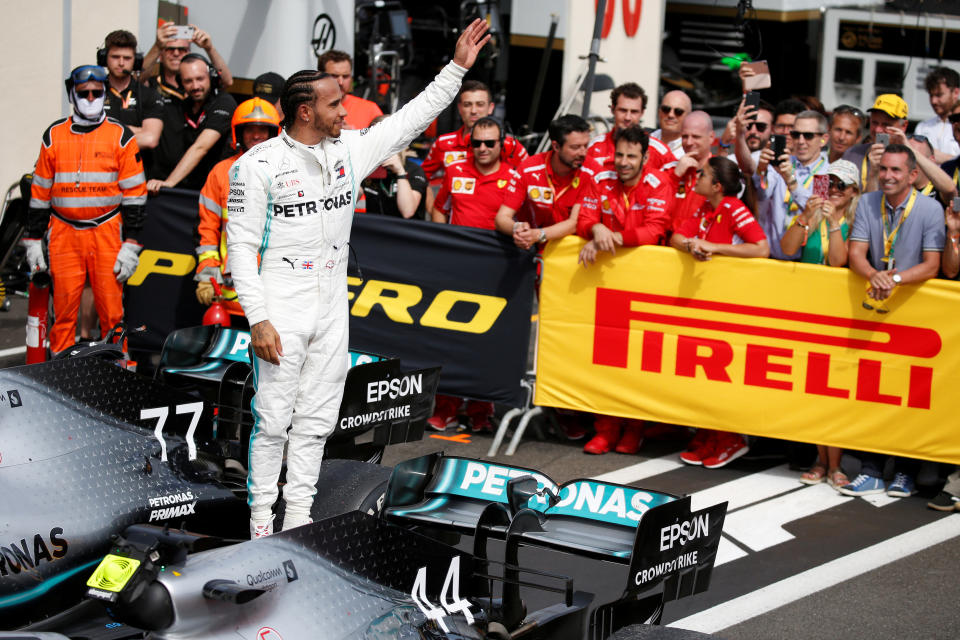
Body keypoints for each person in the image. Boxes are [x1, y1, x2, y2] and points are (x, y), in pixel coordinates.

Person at [227, 19, 491, 538]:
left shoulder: (351, 149)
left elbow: (413, 118)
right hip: (281, 300)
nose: (344, 110)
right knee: (274, 421)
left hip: (331, 300)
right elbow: (238, 246)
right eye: (333, 104)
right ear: (306, 111)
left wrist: (457, 67)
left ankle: (297, 523)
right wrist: (257, 318)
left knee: (316, 423)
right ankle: (260, 524)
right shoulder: (257, 165)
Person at [22, 65, 146, 354]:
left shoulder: (121, 136)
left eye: (96, 92)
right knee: (63, 314)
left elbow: (136, 196)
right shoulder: (53, 135)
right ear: (72, 94)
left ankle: (118, 376)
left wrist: (132, 245)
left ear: (103, 94)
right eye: (83, 92)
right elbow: (39, 193)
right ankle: (59, 381)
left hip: (106, 232)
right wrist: (32, 241)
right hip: (64, 232)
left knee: (113, 314)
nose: (90, 97)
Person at [842, 144, 944, 497]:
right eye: (883, 169)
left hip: (913, 310)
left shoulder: (930, 209)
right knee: (872, 391)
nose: (887, 176)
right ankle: (870, 469)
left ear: (913, 175)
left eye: (896, 170)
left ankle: (904, 471)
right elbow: (856, 252)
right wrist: (875, 274)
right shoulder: (868, 202)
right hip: (875, 306)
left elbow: (933, 264)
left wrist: (894, 279)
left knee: (908, 395)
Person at [574, 126, 674, 456]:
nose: (624, 162)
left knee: (640, 363)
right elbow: (584, 218)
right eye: (619, 154)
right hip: (604, 287)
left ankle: (634, 430)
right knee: (604, 359)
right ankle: (605, 429)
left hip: (647, 286)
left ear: (645, 157)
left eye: (632, 156)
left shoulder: (660, 184)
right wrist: (597, 227)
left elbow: (655, 230)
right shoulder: (599, 178)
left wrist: (610, 238)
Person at [671, 157, 769, 468]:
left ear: (717, 185)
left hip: (732, 304)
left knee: (723, 373)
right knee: (704, 371)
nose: (696, 177)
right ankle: (708, 432)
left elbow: (761, 248)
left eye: (702, 174)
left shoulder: (731, 206)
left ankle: (731, 437)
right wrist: (692, 246)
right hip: (707, 304)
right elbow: (676, 237)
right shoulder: (704, 208)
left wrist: (715, 248)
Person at [428, 116, 517, 433]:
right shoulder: (455, 170)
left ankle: (481, 409)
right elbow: (439, 208)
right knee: (451, 340)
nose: (481, 148)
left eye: (489, 143)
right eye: (476, 143)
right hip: (459, 273)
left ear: (502, 144)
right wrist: (443, 244)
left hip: (497, 274)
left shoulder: (514, 178)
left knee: (489, 344)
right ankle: (446, 407)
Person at [780, 159, 860, 489]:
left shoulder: (857, 220)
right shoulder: (811, 214)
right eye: (829, 183)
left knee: (836, 393)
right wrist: (805, 217)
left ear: (854, 191)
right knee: (814, 390)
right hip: (810, 313)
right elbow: (787, 250)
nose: (835, 190)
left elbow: (840, 260)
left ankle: (835, 464)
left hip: (842, 315)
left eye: (842, 185)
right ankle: (820, 460)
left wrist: (834, 224)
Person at [195, 98, 281, 316]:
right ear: (238, 133)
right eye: (250, 129)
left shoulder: (289, 173)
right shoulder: (220, 173)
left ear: (274, 133)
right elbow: (207, 233)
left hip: (276, 293)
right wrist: (207, 277)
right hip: (230, 294)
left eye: (263, 129)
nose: (256, 135)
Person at [494, 114, 594, 249]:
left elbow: (574, 223)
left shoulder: (593, 173)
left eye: (585, 146)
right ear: (556, 146)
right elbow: (502, 218)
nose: (583, 153)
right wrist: (517, 229)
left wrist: (538, 235)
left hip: (570, 256)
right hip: (530, 251)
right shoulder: (529, 168)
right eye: (575, 147)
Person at [147, 54, 237, 192]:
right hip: (185, 188)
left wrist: (169, 182)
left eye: (200, 79)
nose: (195, 86)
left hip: (213, 190)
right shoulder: (182, 106)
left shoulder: (224, 102)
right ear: (180, 82)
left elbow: (201, 147)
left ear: (211, 77)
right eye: (188, 81)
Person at [421, 80, 528, 183]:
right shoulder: (443, 143)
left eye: (480, 104)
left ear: (490, 108)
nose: (473, 111)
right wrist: (430, 192)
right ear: (459, 108)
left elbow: (530, 180)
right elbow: (421, 176)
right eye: (467, 105)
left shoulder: (510, 145)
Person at [586, 82, 676, 174]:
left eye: (634, 112)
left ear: (642, 113)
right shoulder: (594, 146)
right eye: (623, 110)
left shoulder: (660, 152)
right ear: (612, 110)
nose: (627, 118)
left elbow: (675, 184)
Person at [100, 30, 163, 151]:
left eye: (127, 58)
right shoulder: (94, 93)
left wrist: (104, 133)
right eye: (115, 57)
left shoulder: (149, 95)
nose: (121, 63)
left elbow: (150, 139)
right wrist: (137, 131)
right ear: (104, 58)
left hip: (137, 167)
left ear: (136, 61)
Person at [143, 21, 233, 103]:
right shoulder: (152, 84)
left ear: (189, 53)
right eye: (170, 50)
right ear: (160, 55)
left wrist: (209, 48)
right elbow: (137, 79)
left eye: (182, 49)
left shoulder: (199, 85)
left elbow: (227, 82)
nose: (176, 53)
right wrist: (157, 46)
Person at [360, 115, 428, 219]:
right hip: (374, 232)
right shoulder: (369, 169)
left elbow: (408, 211)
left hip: (405, 233)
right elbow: (349, 201)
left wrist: (400, 172)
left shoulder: (414, 170)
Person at [842, 94, 909, 192]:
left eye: (886, 124)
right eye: (874, 122)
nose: (878, 130)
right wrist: (873, 173)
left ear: (904, 126)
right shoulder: (852, 154)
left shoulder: (912, 158)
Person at [668, 110, 715, 230]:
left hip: (698, 244)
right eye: (684, 136)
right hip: (667, 246)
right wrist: (675, 177)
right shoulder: (669, 170)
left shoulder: (720, 172)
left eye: (696, 137)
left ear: (711, 137)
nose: (689, 142)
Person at [317, 50, 383, 130]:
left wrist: (353, 135)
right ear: (319, 77)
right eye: (334, 76)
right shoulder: (309, 108)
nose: (340, 82)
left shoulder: (370, 109)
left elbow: (382, 141)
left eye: (345, 76)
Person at [914, 67, 960, 162]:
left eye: (939, 95)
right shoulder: (922, 127)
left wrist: (943, 158)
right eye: (931, 95)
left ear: (956, 92)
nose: (933, 101)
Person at [650, 90, 692, 159]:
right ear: (659, 112)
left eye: (678, 111)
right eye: (666, 109)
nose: (670, 115)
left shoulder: (690, 150)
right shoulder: (645, 139)